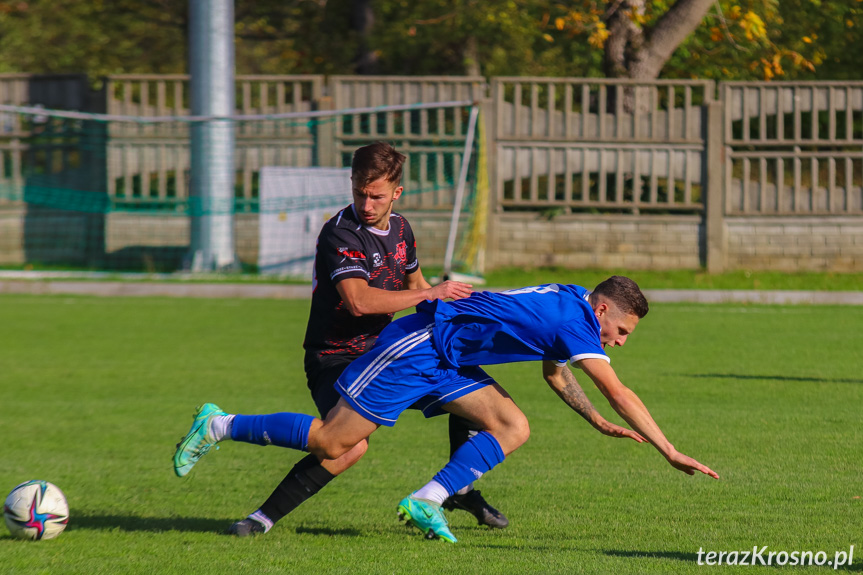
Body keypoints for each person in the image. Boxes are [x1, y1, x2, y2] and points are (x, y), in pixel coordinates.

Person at [173, 276, 718, 543]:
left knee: (513, 425)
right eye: (620, 331)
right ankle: (219, 424)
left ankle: (426, 500)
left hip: (449, 359)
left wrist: (594, 421)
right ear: (601, 310)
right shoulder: (576, 320)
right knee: (333, 442)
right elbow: (618, 390)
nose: (619, 341)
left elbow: (555, 370)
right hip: (422, 344)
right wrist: (668, 450)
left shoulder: (572, 303)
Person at [214, 141, 505, 537]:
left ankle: (456, 489)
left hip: (388, 353)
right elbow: (359, 301)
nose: (366, 205)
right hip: (336, 358)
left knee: (482, 402)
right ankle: (253, 499)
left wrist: (463, 309)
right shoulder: (340, 233)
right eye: (359, 193)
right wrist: (428, 294)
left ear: (397, 193)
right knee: (346, 446)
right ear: (351, 184)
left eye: (376, 196)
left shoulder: (401, 229)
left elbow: (417, 284)